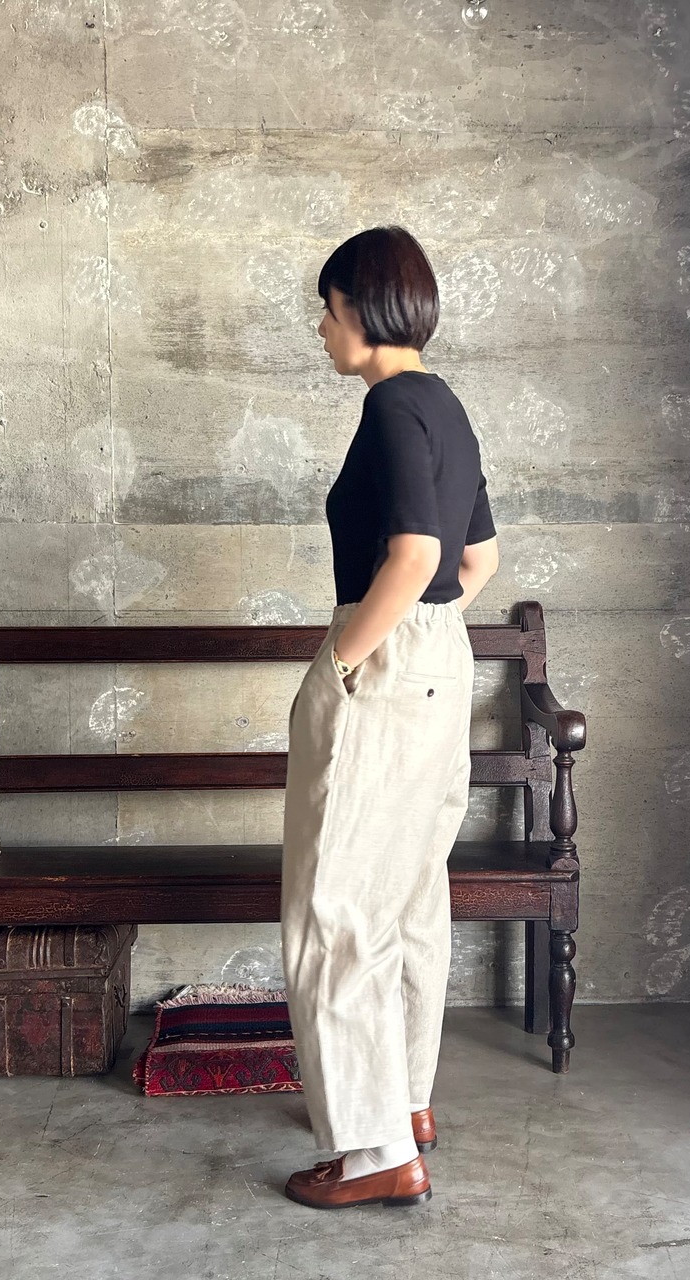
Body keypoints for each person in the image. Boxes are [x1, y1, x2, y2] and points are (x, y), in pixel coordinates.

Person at [279, 225, 500, 1209]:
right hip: (442, 660)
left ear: (362, 312)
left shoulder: (387, 407)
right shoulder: (445, 405)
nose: (323, 329)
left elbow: (415, 554)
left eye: (327, 311)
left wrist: (344, 655)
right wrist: (421, 630)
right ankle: (404, 1103)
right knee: (409, 894)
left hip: (389, 659)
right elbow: (477, 559)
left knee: (334, 906)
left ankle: (373, 1153)